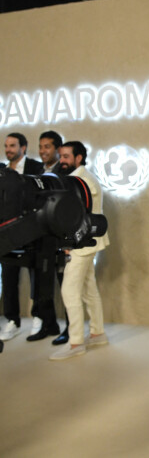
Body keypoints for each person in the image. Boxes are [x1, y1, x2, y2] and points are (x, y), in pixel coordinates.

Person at [49, 141, 109, 361]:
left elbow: (73, 217)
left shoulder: (80, 180)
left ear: (79, 158)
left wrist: (66, 244)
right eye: (61, 156)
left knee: (69, 291)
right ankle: (98, 333)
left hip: (82, 244)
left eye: (66, 156)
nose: (61, 160)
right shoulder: (80, 177)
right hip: (88, 242)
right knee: (88, 288)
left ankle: (75, 342)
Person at [0, 132, 49, 342]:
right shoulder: (1, 172)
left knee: (35, 275)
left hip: (31, 231)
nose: (8, 149)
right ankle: (13, 320)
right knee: (9, 277)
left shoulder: (37, 169)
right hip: (7, 233)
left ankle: (38, 316)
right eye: (6, 146)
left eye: (12, 145)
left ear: (23, 147)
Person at [37, 130, 70, 345]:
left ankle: (70, 328)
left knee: (65, 286)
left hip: (59, 238)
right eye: (40, 147)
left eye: (47, 147)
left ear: (57, 150)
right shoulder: (38, 172)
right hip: (41, 236)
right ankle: (48, 324)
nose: (42, 151)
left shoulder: (64, 174)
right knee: (43, 282)